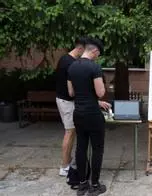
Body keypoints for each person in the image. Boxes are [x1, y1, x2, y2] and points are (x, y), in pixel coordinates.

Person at [67, 37, 111, 196]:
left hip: (78, 113)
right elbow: (100, 93)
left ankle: (82, 184)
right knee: (98, 149)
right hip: (93, 114)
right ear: (95, 51)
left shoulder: (71, 67)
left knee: (81, 147)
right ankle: (95, 185)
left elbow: (71, 93)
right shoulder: (94, 68)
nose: (98, 56)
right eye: (98, 54)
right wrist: (102, 89)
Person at [56, 37, 87, 176]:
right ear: (80, 48)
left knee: (72, 131)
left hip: (66, 100)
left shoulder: (66, 59)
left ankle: (68, 160)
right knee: (69, 132)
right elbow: (72, 88)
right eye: (84, 51)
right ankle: (64, 166)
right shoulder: (68, 62)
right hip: (66, 102)